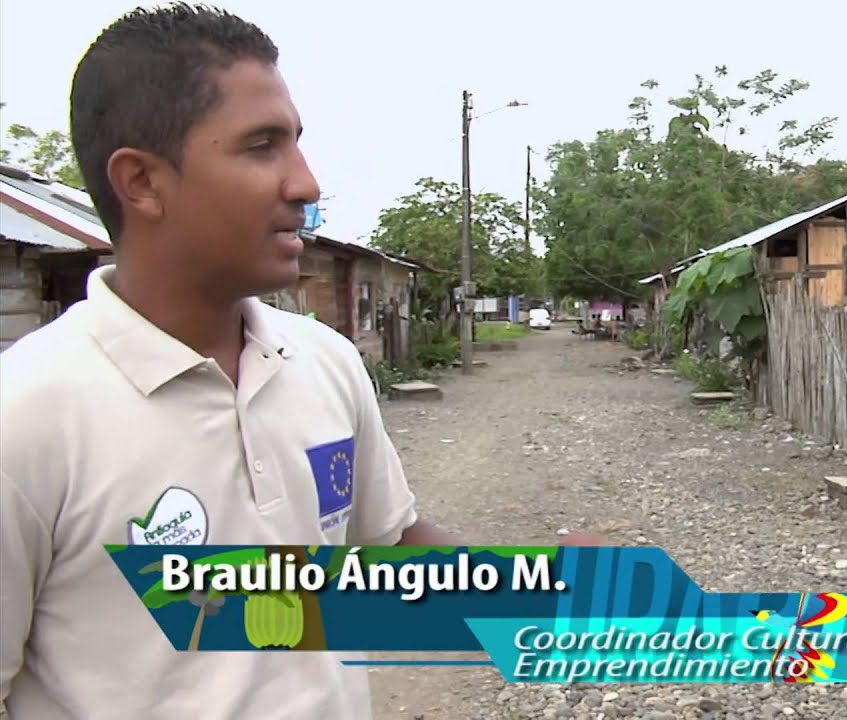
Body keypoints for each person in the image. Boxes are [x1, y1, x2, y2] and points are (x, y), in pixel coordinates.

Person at [0, 5, 601, 719]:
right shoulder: (27, 416)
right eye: (262, 147)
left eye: (296, 144)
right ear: (142, 182)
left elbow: (387, 550)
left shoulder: (325, 361)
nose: (306, 184)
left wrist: (539, 598)